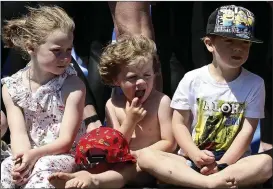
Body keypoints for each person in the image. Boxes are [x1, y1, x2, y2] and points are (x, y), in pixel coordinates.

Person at [137, 5, 272, 188]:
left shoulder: (255, 83)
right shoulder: (192, 79)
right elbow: (178, 123)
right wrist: (195, 155)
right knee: (146, 156)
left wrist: (223, 164)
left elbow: (247, 131)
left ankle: (203, 182)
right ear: (209, 44)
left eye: (245, 43)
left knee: (266, 163)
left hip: (233, 163)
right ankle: (209, 184)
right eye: (229, 41)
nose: (238, 49)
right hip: (192, 159)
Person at [48, 35, 177, 188]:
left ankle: (94, 181)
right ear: (116, 80)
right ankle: (83, 176)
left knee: (128, 169)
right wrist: (130, 121)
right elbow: (114, 146)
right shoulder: (113, 105)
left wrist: (139, 155)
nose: (142, 82)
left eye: (147, 75)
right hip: (122, 162)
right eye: (132, 77)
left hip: (154, 162)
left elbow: (170, 142)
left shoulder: (161, 102)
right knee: (101, 162)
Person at [1, 5, 86, 188]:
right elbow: (18, 134)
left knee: (43, 167)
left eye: (69, 50)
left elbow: (66, 142)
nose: (65, 58)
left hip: (65, 156)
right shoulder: (11, 87)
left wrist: (34, 156)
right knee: (7, 167)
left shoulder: (73, 86)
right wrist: (22, 162)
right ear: (31, 47)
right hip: (30, 153)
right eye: (57, 51)